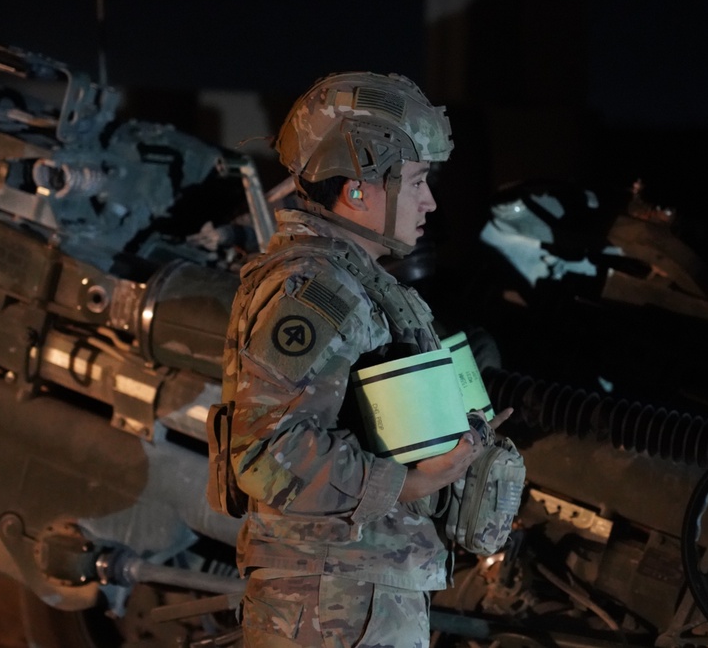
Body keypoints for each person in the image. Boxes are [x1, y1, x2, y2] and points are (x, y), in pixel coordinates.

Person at [216, 71, 514, 647]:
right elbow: (265, 452)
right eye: (418, 180)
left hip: (353, 595)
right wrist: (409, 482)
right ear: (358, 188)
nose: (429, 201)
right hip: (333, 603)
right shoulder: (316, 288)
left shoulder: (357, 281)